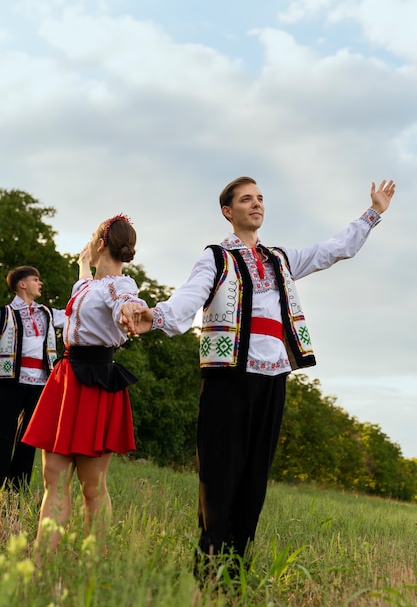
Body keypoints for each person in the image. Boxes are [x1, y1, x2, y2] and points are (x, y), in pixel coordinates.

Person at [124, 176, 396, 578]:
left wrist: (373, 213)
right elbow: (189, 296)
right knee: (220, 477)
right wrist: (157, 316)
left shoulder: (280, 259)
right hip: (228, 378)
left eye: (260, 199)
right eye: (246, 199)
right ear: (227, 211)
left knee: (254, 482)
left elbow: (333, 250)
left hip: (273, 378)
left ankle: (236, 578)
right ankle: (208, 575)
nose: (256, 205)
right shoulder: (216, 258)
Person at [22, 214, 146, 555]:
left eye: (92, 238)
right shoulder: (89, 285)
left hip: (96, 383)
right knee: (53, 482)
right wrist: (82, 264)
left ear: (101, 244)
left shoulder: (120, 286)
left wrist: (132, 310)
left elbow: (126, 300)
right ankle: (41, 562)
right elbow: (84, 284)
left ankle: (96, 565)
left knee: (92, 488)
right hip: (66, 379)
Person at [0, 266, 65, 491]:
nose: (41, 283)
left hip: (40, 383)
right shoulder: (5, 313)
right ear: (22, 284)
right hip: (9, 381)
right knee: (4, 433)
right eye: (36, 279)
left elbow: (72, 316)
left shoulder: (46, 313)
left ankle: (17, 489)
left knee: (29, 437)